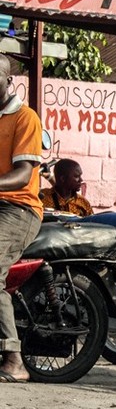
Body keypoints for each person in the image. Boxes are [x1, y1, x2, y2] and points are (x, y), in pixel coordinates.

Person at [0, 55, 44, 383]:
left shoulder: (25, 117)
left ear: (8, 81)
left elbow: (22, 175)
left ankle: (14, 358)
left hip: (18, 208)